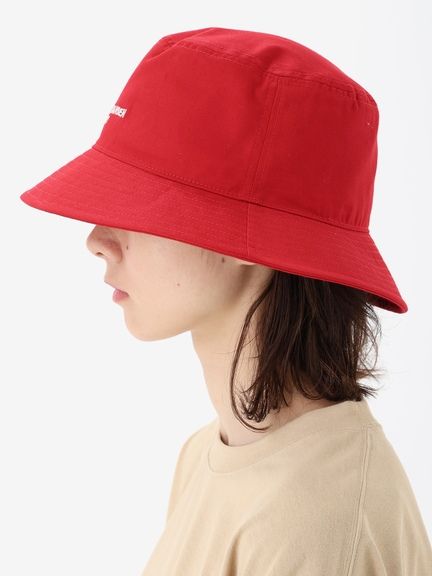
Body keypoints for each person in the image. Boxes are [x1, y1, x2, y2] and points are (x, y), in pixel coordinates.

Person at [20, 26, 432, 575]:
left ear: (247, 238)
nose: (97, 240)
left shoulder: (314, 521)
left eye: (138, 205)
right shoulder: (208, 455)